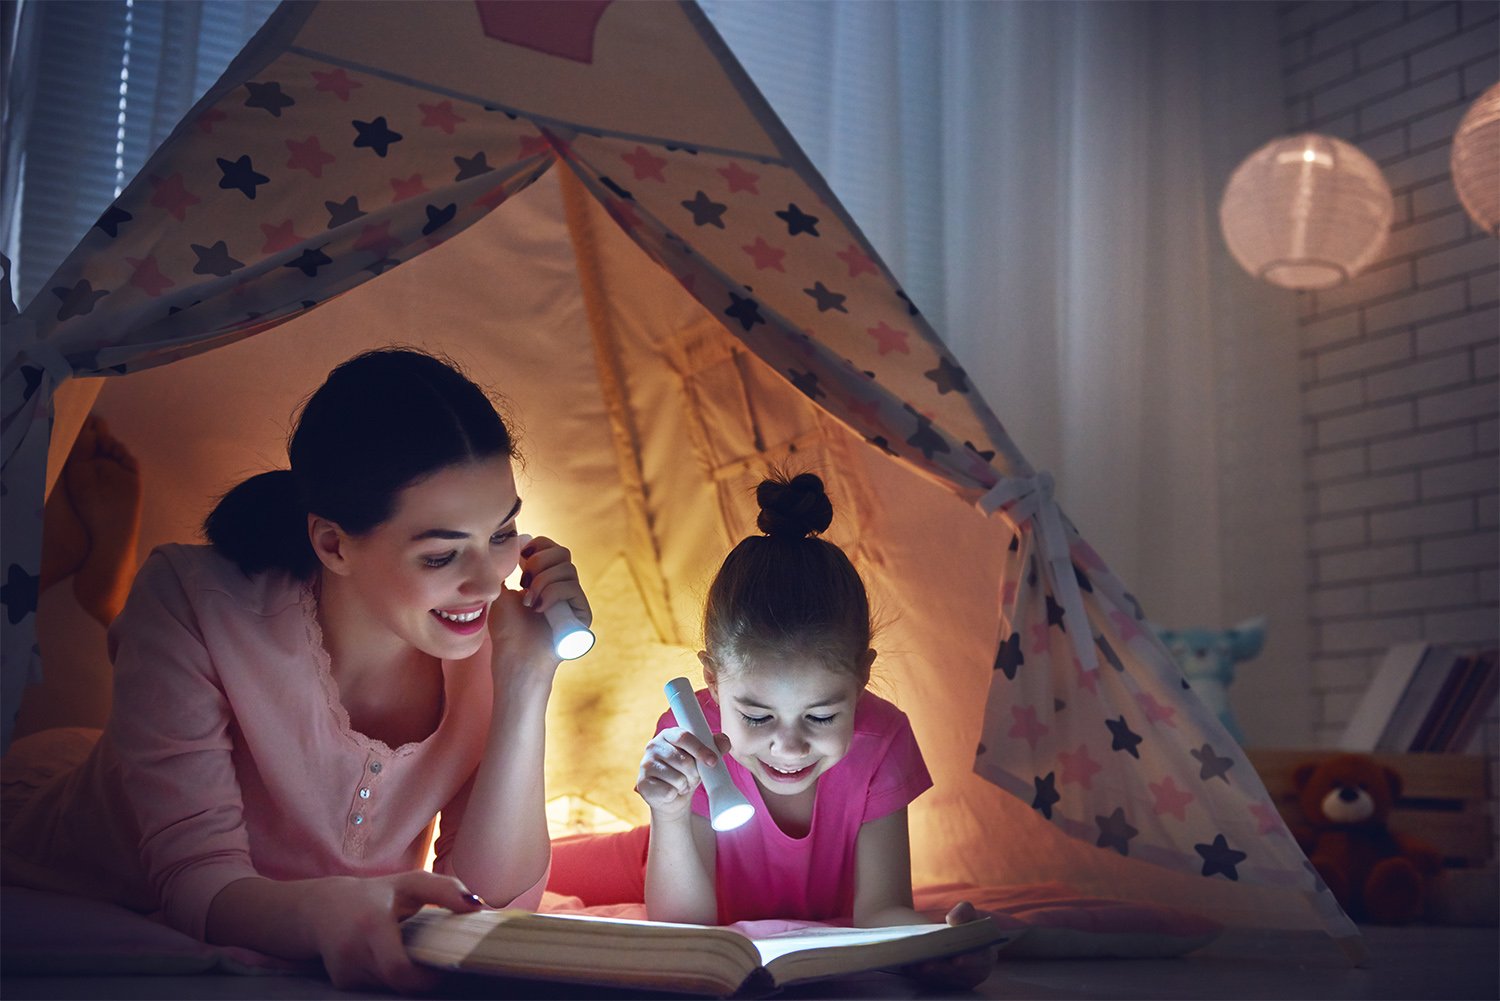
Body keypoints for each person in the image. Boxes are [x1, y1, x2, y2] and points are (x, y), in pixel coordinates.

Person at [2, 348, 589, 994]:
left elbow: (490, 903)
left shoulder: (489, 646)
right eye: (442, 554)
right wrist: (321, 908)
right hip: (40, 816)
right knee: (171, 625)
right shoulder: (190, 596)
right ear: (333, 544)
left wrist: (529, 676)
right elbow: (195, 880)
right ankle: (96, 581)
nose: (488, 580)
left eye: (502, 534)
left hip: (152, 725)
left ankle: (102, 593)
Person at [634, 471, 993, 988]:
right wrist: (666, 814)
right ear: (711, 681)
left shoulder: (883, 741)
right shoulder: (691, 740)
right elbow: (680, 929)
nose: (789, 746)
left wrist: (947, 942)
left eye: (821, 716)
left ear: (862, 676)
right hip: (651, 858)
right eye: (756, 717)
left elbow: (881, 911)